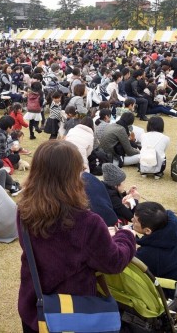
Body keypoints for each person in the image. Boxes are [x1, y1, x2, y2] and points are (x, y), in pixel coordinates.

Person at [17, 140, 136, 333]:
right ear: (73, 176)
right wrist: (126, 236)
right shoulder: (86, 223)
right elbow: (113, 262)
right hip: (70, 311)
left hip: (34, 304)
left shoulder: (23, 209)